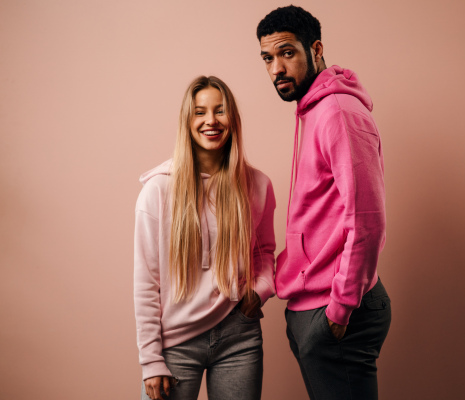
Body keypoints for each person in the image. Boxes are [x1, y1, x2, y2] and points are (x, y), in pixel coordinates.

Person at [257, 6, 391, 400]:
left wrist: (340, 308)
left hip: (336, 308)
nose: (276, 69)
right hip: (313, 302)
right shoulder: (312, 109)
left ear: (315, 50)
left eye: (287, 53)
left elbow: (367, 220)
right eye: (267, 58)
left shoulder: (338, 113)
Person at [133, 76, 276, 400]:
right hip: (175, 342)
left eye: (220, 110)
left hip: (239, 337)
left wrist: (260, 290)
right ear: (188, 121)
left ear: (232, 119)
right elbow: (145, 282)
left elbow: (265, 251)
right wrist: (151, 361)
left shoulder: (257, 185)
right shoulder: (157, 191)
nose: (211, 120)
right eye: (200, 112)